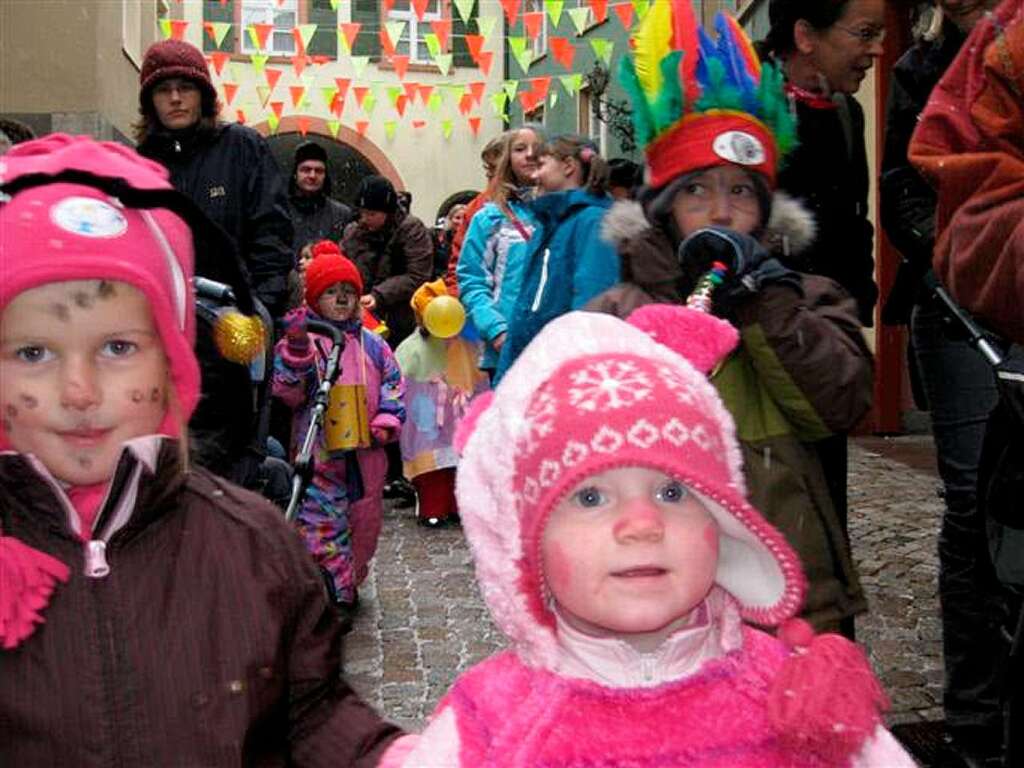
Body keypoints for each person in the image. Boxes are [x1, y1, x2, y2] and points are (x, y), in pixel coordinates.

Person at [0, 134, 407, 765]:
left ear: (172, 364)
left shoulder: (250, 546)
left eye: (116, 348)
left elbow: (309, 713)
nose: (78, 391)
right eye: (33, 353)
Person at [397, 304, 913, 767]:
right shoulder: (490, 721)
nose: (643, 524)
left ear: (722, 516)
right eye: (590, 497)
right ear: (523, 543)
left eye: (672, 492)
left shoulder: (797, 699)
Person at [586, 4, 872, 633]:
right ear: (663, 208)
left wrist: (762, 301)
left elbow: (838, 407)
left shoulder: (810, 294)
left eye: (741, 191)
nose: (720, 209)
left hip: (796, 600)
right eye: (696, 191)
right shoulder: (618, 314)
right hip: (667, 610)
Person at [881, 3, 1006, 763]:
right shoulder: (920, 69)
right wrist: (960, 251)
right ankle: (974, 717)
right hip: (961, 303)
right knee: (972, 503)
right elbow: (903, 187)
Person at [911, 2, 1024, 762]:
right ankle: (975, 715)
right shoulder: (993, 50)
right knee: (966, 511)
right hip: (966, 333)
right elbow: (951, 199)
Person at [756, 0, 885, 600]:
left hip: (822, 345)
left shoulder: (846, 113)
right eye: (864, 33)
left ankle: (824, 659)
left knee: (824, 510)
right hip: (754, 347)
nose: (876, 49)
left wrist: (856, 303)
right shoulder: (741, 102)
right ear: (805, 35)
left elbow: (852, 221)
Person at [272, 245, 404, 618]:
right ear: (315, 298)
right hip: (321, 453)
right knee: (322, 523)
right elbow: (286, 391)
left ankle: (352, 575)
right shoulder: (306, 341)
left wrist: (385, 423)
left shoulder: (374, 345)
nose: (342, 297)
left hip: (367, 455)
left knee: (364, 523)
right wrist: (296, 351)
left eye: (348, 289)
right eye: (332, 291)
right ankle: (335, 589)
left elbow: (394, 385)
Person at [135, 39, 293, 319]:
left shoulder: (243, 147)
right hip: (159, 320)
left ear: (202, 95)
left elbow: (272, 236)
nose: (175, 98)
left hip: (232, 319)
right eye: (163, 90)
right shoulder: (138, 164)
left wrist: (258, 309)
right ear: (150, 102)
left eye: (185, 88)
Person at [495, 135, 620, 380]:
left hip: (559, 372)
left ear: (568, 167)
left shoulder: (592, 221)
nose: (534, 175)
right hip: (531, 368)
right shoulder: (548, 226)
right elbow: (525, 308)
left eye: (541, 164)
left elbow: (592, 306)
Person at [395, 280, 489, 527]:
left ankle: (458, 506)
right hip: (428, 418)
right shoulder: (416, 346)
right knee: (432, 468)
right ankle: (433, 507)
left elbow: (478, 369)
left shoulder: (468, 338)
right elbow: (403, 373)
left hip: (459, 413)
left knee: (461, 465)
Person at [456, 125, 543, 377]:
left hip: (553, 344)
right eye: (520, 149)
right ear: (507, 160)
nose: (529, 154)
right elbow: (471, 281)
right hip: (506, 347)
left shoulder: (559, 214)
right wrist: (497, 330)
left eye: (537, 148)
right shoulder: (489, 219)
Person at [342, 175, 433, 348]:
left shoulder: (411, 229)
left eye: (371, 214)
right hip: (362, 317)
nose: (365, 218)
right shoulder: (353, 232)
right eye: (362, 212)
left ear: (387, 212)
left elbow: (418, 275)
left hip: (402, 320)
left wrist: (380, 295)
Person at [443, 132, 510, 294]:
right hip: (484, 308)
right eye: (490, 171)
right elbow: (459, 267)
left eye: (496, 170)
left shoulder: (540, 205)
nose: (492, 178)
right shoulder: (478, 207)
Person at [288, 140, 354, 252]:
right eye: (306, 170)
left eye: (318, 171)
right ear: (295, 174)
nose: (312, 176)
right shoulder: (279, 212)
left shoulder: (342, 214)